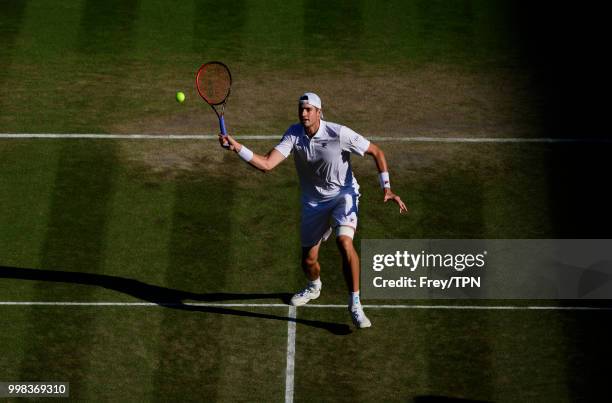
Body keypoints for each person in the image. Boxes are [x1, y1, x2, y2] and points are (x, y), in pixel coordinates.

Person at [218, 92, 407, 328]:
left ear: (319, 112)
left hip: (343, 196)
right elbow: (267, 164)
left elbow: (376, 152)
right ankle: (314, 285)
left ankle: (355, 304)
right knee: (308, 262)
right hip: (313, 204)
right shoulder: (293, 134)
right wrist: (237, 148)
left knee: (344, 242)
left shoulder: (339, 133)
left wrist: (386, 187)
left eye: (309, 109)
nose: (304, 113)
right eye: (301, 109)